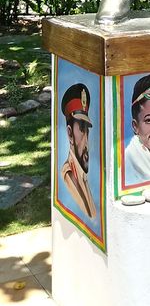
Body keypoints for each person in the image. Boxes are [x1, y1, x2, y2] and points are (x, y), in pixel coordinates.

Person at [60, 83, 96, 219]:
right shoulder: (69, 174)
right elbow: (90, 216)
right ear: (70, 134)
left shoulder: (81, 174)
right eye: (81, 129)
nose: (86, 140)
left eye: (87, 130)